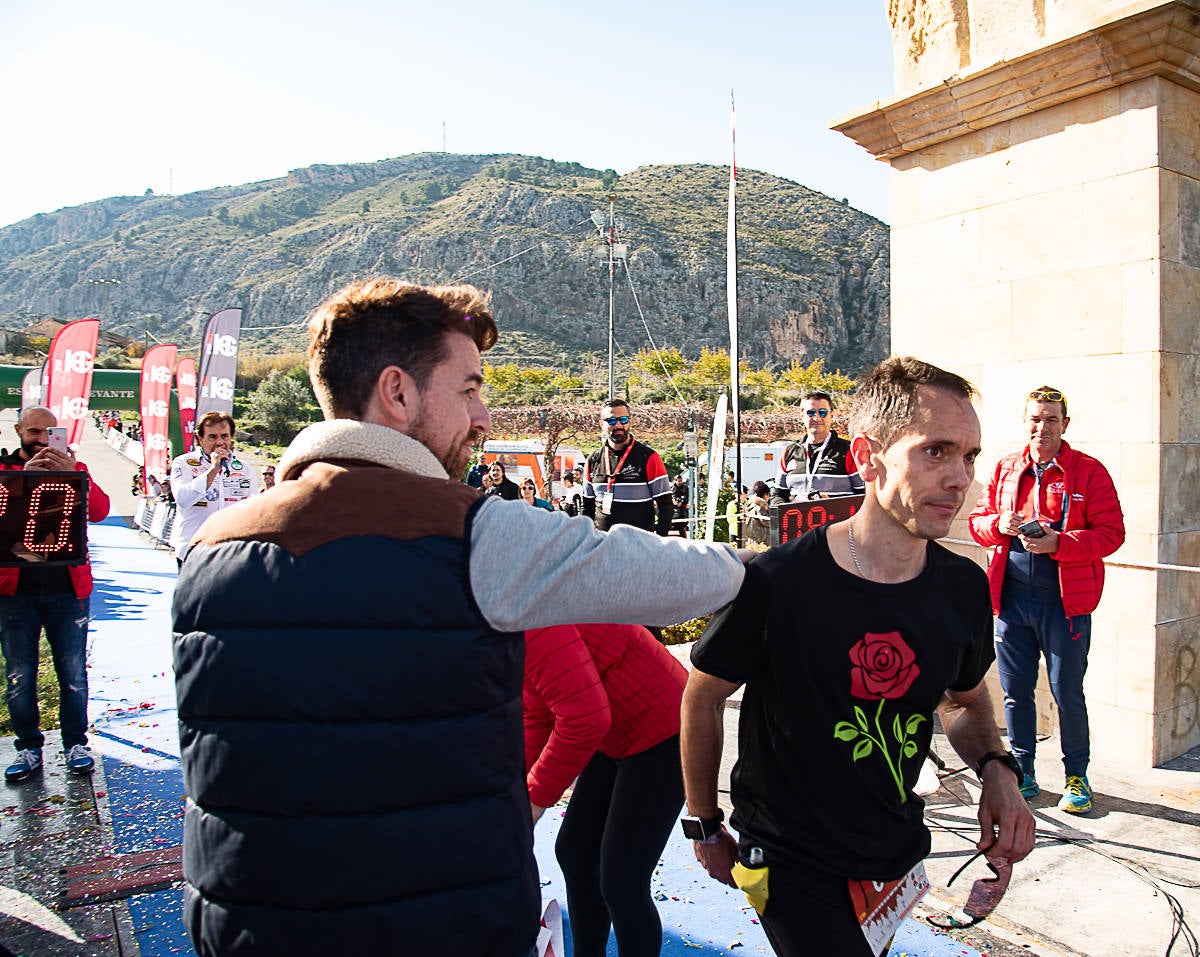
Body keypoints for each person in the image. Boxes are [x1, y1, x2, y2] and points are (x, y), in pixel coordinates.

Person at [171, 278, 748, 957]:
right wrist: (789, 565)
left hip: (245, 927)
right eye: (469, 388)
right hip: (435, 925)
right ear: (398, 391)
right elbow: (676, 574)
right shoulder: (474, 535)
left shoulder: (205, 550)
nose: (484, 416)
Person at [681, 357, 1036, 956]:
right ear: (866, 457)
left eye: (969, 456)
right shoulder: (780, 582)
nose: (960, 478)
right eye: (936, 452)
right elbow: (703, 694)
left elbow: (964, 702)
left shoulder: (962, 587)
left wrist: (997, 770)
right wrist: (704, 821)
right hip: (790, 856)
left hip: (893, 852)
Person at [968, 386, 1124, 814]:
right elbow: (977, 523)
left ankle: (1077, 774)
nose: (1042, 427)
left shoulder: (1089, 471)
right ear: (1026, 423)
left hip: (1064, 604)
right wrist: (1000, 523)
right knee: (1016, 692)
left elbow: (1112, 535)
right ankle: (1023, 770)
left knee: (1066, 691)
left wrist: (1059, 542)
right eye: (1035, 419)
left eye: (1051, 419)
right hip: (1011, 601)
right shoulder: (1005, 467)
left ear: (1065, 425)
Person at [525, 623, 687, 957]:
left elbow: (584, 720)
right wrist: (513, 790)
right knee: (575, 852)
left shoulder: (527, 616)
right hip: (613, 723)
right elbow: (537, 709)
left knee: (622, 881)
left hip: (664, 723)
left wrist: (534, 800)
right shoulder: (497, 623)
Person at [0, 407, 111, 783]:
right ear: (18, 431)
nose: (42, 441)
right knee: (20, 674)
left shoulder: (74, 469)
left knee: (73, 672)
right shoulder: (5, 473)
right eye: (34, 432)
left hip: (69, 589)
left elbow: (100, 511)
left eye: (50, 433)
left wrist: (73, 471)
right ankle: (28, 748)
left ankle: (75, 743)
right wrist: (22, 485)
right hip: (16, 592)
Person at [169, 411, 260, 564]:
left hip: (232, 554)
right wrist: (213, 470)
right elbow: (182, 499)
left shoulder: (245, 469)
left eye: (224, 436)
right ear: (200, 438)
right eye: (212, 437)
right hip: (194, 552)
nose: (219, 442)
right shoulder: (183, 463)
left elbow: (254, 511)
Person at [582, 399, 673, 536]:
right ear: (602, 424)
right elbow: (587, 508)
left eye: (623, 420)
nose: (618, 425)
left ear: (630, 422)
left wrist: (660, 542)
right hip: (603, 546)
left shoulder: (648, 457)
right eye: (611, 421)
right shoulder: (593, 460)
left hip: (640, 546)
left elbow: (665, 505)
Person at [771, 391, 864, 504]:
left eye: (823, 412)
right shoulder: (789, 451)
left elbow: (864, 495)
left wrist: (832, 505)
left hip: (837, 521)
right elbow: (778, 494)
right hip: (798, 521)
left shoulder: (849, 450)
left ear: (832, 415)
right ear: (802, 416)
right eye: (810, 413)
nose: (817, 418)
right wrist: (784, 510)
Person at [744, 481, 771, 547]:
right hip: (761, 538)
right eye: (769, 495)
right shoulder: (761, 505)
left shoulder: (750, 503)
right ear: (765, 494)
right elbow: (765, 521)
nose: (769, 497)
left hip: (751, 535)